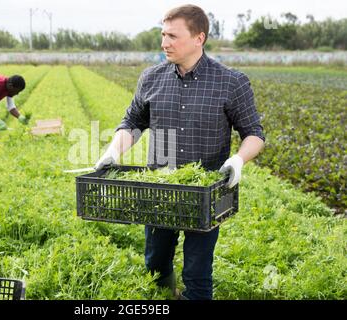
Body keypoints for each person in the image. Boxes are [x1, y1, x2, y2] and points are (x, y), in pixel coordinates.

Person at [94, 4, 265, 300]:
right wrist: (113, 152)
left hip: (205, 194)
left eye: (172, 36)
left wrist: (238, 160)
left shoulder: (231, 82)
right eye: (163, 34)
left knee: (197, 274)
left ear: (199, 38)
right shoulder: (151, 78)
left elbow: (254, 135)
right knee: (156, 264)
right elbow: (133, 123)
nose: (164, 43)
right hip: (160, 192)